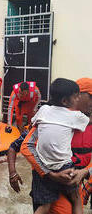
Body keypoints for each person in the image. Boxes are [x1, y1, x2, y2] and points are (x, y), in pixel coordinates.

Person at [20, 77, 92, 214]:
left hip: (70, 175)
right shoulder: (76, 117)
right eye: (91, 97)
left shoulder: (44, 111)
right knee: (68, 204)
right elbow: (23, 146)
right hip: (52, 173)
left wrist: (85, 172)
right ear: (78, 95)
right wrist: (49, 174)